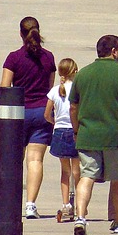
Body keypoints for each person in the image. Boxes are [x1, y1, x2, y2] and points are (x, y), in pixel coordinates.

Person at [67, 34, 118, 235]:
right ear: (113, 51)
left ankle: (80, 218)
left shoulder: (83, 74)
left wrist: (76, 130)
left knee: (86, 176)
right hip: (115, 137)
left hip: (88, 135)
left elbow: (73, 106)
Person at [0, 16, 56, 219]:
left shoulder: (14, 58)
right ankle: (30, 205)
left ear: (20, 34)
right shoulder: (49, 57)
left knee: (15, 159)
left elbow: (5, 88)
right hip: (42, 112)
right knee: (35, 160)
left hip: (17, 114)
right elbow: (51, 89)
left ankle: (11, 201)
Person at [44, 57, 81, 223]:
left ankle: (66, 204)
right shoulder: (78, 89)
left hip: (59, 131)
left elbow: (46, 114)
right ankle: (80, 203)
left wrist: (55, 122)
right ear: (74, 71)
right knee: (77, 170)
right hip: (76, 131)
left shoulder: (54, 90)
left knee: (64, 171)